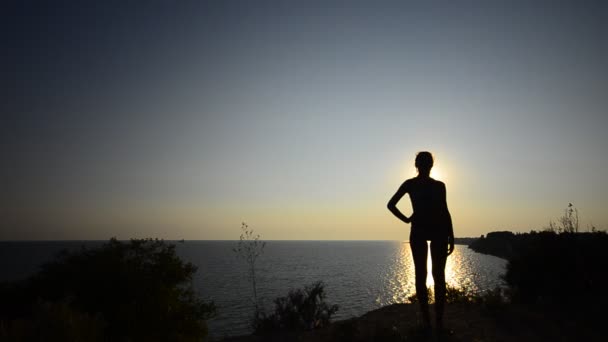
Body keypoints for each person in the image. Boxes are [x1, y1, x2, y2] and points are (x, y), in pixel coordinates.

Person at [387, 151, 454, 330]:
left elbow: (445, 210)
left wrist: (451, 235)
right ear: (421, 165)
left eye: (426, 163)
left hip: (431, 231)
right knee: (429, 276)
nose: (425, 166)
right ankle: (432, 322)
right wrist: (407, 219)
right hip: (428, 231)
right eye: (424, 163)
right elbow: (391, 204)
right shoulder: (429, 185)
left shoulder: (435, 185)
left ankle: (432, 322)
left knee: (430, 276)